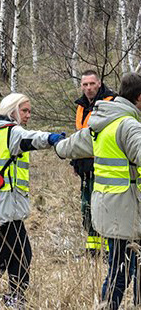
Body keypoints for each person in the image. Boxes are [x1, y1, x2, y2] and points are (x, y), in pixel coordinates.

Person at [0, 93, 65, 307]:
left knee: (2, 250)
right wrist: (53, 138)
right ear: (12, 111)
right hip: (6, 203)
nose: (28, 115)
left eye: (29, 111)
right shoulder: (12, 131)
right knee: (21, 251)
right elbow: (32, 138)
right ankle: (13, 296)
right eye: (24, 110)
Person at [56, 73, 141, 310]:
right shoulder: (129, 125)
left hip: (107, 209)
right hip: (128, 212)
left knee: (117, 270)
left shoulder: (100, 123)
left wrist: (55, 143)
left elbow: (66, 148)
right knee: (123, 271)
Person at [73, 69, 115, 255]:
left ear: (99, 83)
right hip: (85, 166)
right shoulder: (81, 106)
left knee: (104, 206)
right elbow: (79, 136)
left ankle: (109, 249)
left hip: (103, 164)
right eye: (85, 84)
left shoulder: (110, 102)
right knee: (87, 206)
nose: (88, 88)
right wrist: (76, 162)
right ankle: (93, 249)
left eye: (92, 84)